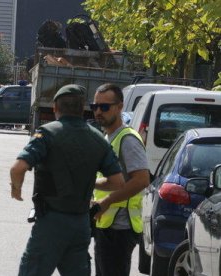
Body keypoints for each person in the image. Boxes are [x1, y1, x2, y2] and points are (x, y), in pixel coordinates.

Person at [10, 84, 125, 276]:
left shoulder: (47, 133)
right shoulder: (98, 139)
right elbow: (118, 182)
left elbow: (18, 168)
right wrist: (90, 182)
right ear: (83, 109)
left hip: (51, 223)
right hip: (80, 224)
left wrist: (16, 188)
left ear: (55, 108)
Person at [91, 83, 150, 276]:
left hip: (120, 228)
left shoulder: (128, 139)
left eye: (104, 107)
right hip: (106, 225)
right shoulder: (108, 137)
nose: (98, 111)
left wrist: (106, 202)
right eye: (95, 106)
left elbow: (141, 180)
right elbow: (109, 180)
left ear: (119, 107)